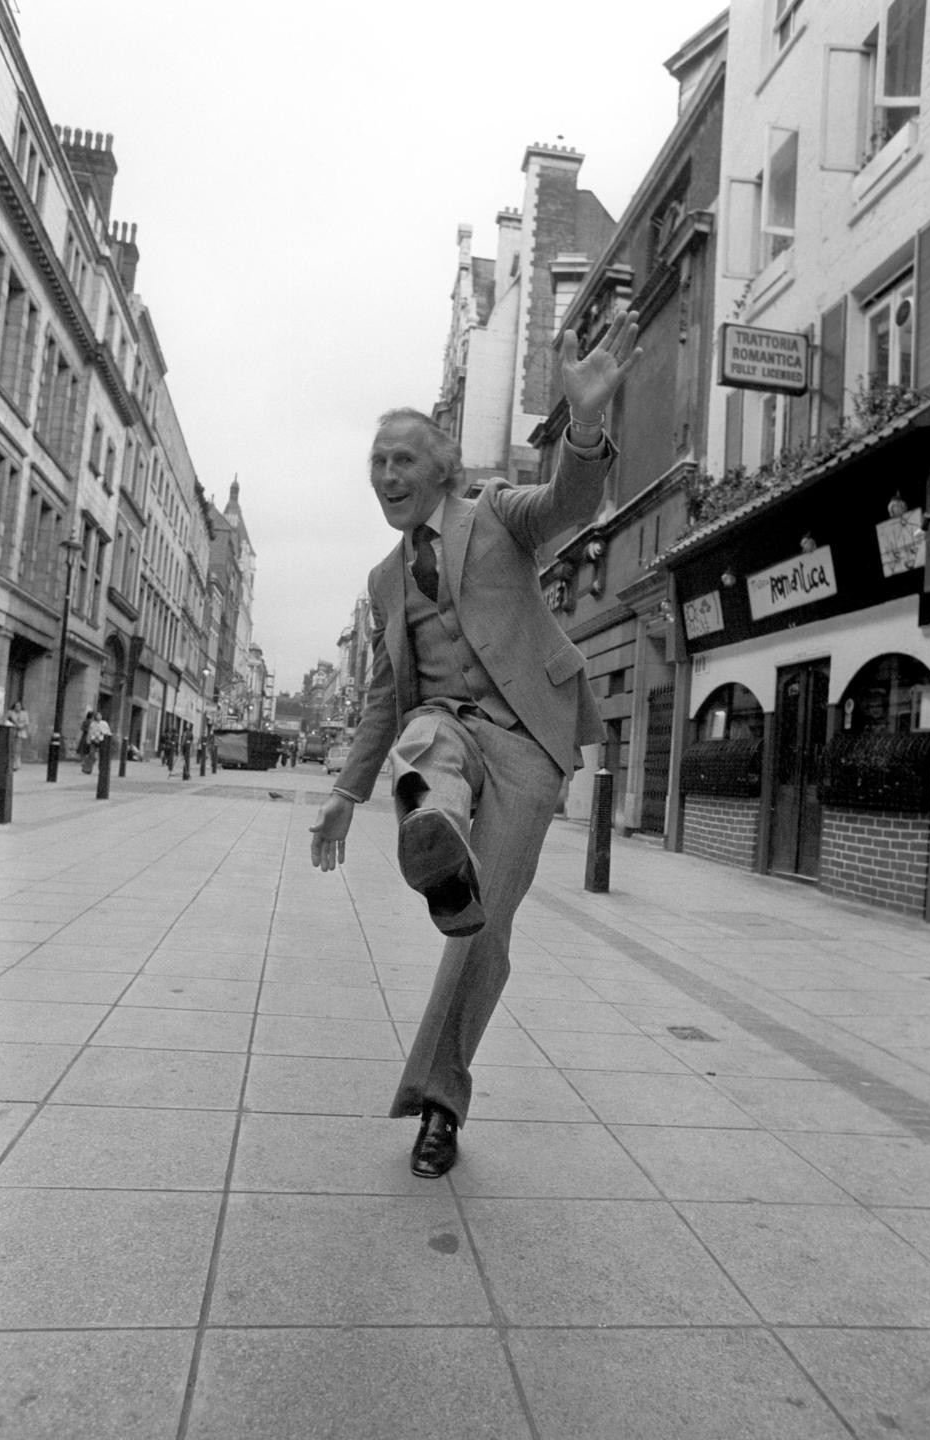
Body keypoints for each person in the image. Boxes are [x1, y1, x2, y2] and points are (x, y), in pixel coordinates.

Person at [309, 313, 641, 1177]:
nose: (387, 475)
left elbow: (569, 503)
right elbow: (386, 698)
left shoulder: (496, 513)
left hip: (528, 739)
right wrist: (344, 794)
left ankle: (440, 1099)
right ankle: (434, 829)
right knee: (424, 733)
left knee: (480, 935)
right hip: (446, 729)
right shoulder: (385, 581)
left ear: (442, 469)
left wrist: (587, 422)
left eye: (403, 460)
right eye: (377, 463)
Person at [4, 699, 29, 770]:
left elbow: (26, 723)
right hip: (12, 732)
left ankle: (17, 764)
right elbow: (6, 720)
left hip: (20, 733)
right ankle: (11, 763)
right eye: (16, 706)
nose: (17, 707)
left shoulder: (24, 713)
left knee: (17, 749)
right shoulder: (10, 713)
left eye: (19, 706)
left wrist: (21, 726)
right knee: (11, 748)